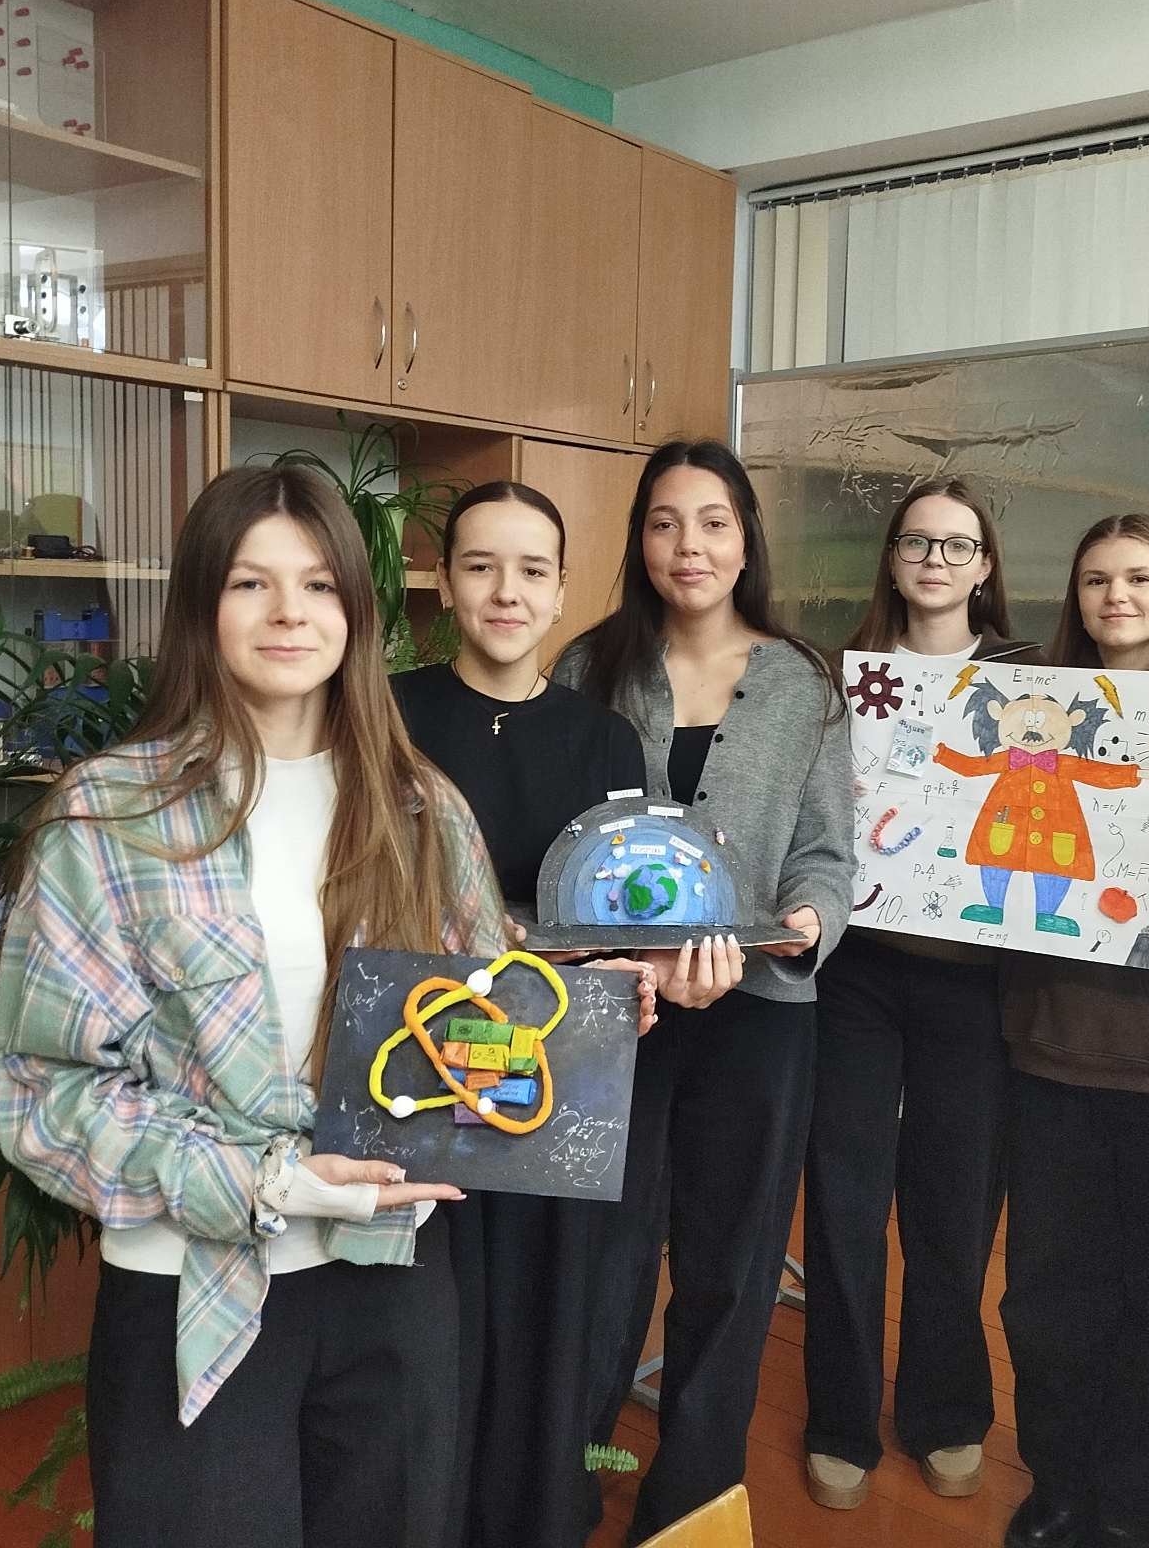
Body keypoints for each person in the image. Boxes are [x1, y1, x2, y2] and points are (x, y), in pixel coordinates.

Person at [0, 464, 507, 1548]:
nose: (289, 613)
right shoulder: (110, 816)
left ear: (355, 611)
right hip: (191, 1280)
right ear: (202, 604)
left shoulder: (421, 807)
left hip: (392, 1273)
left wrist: (574, 1040)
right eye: (249, 583)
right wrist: (267, 1179)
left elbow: (481, 1017)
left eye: (318, 584)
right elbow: (47, 1097)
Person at [554, 437, 854, 1542]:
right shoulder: (588, 668)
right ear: (640, 539)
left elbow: (826, 852)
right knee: (604, 1262)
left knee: (732, 1269)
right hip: (611, 1017)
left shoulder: (802, 681)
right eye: (665, 521)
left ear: (745, 539)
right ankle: (571, 1475)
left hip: (758, 1012)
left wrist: (809, 921)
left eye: (714, 521)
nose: (690, 545)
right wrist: (606, 961)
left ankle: (686, 1500)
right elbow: (557, 844)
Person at [390, 480, 657, 1548]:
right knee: (427, 1303)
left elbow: (619, 914)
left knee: (548, 1299)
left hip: (557, 1059)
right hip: (413, 1053)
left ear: (560, 590)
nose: (507, 591)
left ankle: (533, 1516)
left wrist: (639, 977)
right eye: (481, 565)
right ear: (444, 582)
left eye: (532, 570)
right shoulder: (384, 714)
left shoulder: (606, 740)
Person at [998, 514, 1149, 1548]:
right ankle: (1058, 1484)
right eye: (1096, 579)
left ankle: (1140, 1511)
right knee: (1048, 1296)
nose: (1116, 598)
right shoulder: (1028, 714)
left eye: (1139, 577)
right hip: (1050, 1050)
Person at [802, 478, 1036, 1510]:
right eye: (916, 542)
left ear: (985, 565)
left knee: (955, 1202)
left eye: (956, 544)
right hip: (853, 969)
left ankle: (946, 1410)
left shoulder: (1032, 678)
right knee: (844, 1196)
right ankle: (839, 1419)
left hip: (975, 980)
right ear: (891, 559)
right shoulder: (836, 678)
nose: (934, 560)